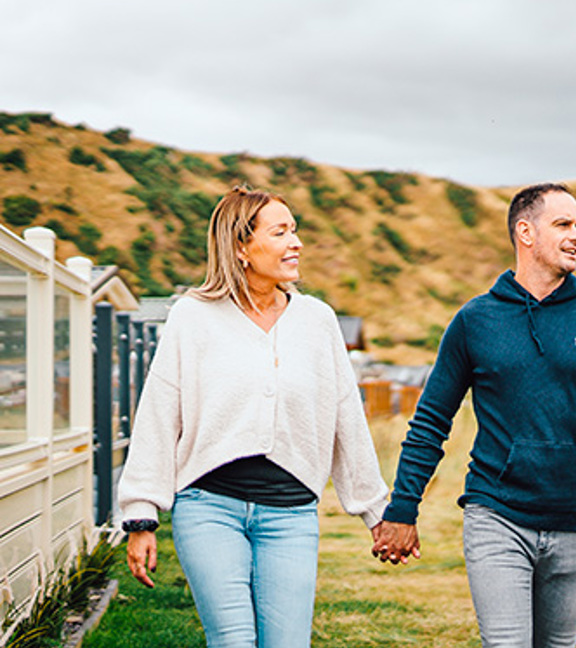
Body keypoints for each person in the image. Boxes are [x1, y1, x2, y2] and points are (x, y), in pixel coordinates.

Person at [372, 182, 576, 647]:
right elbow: (430, 421)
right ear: (525, 231)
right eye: (563, 224)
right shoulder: (475, 320)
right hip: (497, 515)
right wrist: (403, 507)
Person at [117, 186, 390, 648]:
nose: (296, 242)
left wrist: (376, 511)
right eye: (281, 232)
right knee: (233, 641)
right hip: (208, 508)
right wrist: (142, 516)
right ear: (241, 247)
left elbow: (347, 415)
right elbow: (159, 415)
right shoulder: (192, 317)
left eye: (295, 230)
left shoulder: (317, 320)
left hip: (291, 513)